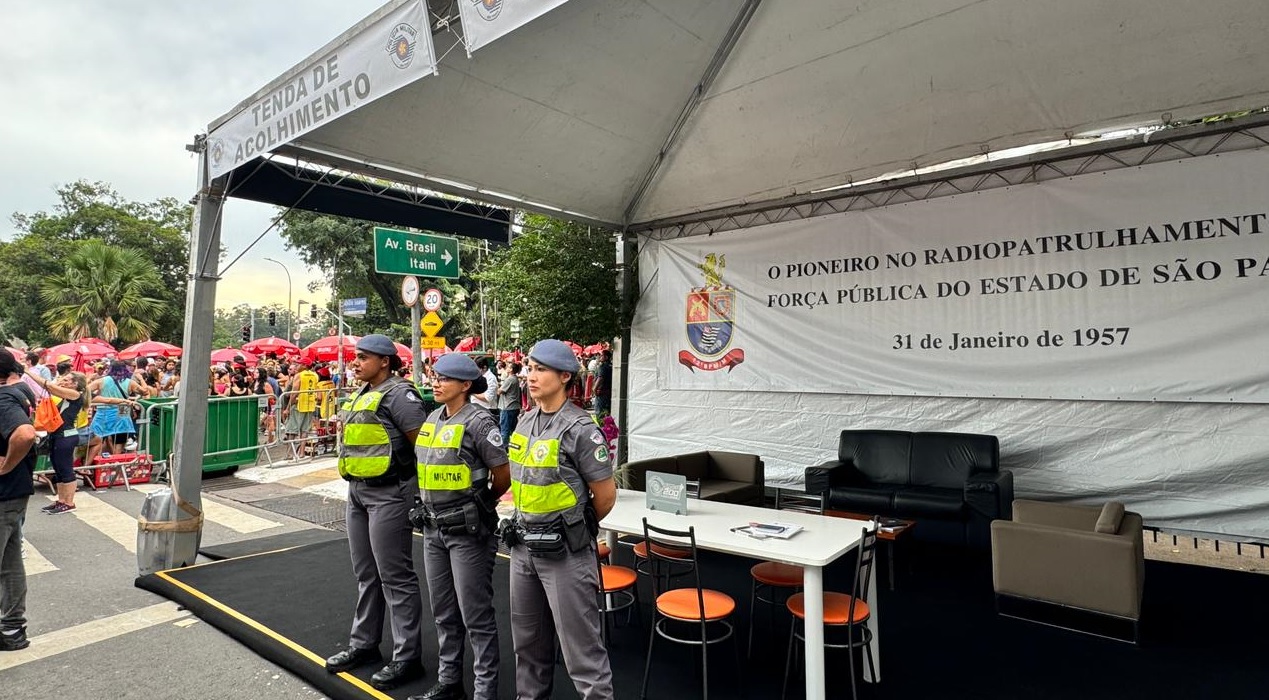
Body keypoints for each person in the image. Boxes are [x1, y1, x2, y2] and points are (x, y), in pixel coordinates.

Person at [505, 339, 617, 700]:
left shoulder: (581, 429)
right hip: (523, 551)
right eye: (528, 368)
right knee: (528, 649)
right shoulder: (524, 422)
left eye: (540, 369)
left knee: (582, 655)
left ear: (565, 376)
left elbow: (605, 497)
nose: (529, 376)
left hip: (566, 555)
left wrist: (570, 529)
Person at [325, 335, 429, 691]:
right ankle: (364, 645)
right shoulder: (363, 392)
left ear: (385, 361)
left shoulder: (401, 395)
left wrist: (418, 494)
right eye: (356, 357)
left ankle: (407, 657)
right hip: (357, 491)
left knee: (395, 576)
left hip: (390, 494)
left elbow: (424, 447)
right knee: (366, 574)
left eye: (363, 357)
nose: (355, 362)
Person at [409, 353, 510, 700]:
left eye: (444, 378)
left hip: (468, 533)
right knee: (443, 613)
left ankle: (485, 692)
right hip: (433, 531)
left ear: (465, 385)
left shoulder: (480, 423)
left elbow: (503, 475)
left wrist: (483, 503)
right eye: (435, 376)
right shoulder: (432, 418)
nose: (435, 382)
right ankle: (450, 681)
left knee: (476, 617)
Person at [0, 350, 37, 652]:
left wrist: (5, 465)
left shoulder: (3, 399)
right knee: (10, 563)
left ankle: (12, 627)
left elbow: (25, 434)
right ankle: (12, 628)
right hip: (14, 492)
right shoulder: (20, 390)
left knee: (9, 562)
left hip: (5, 491)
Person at [27, 368, 85, 514]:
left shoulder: (75, 394)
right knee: (58, 470)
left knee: (66, 469)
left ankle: (69, 502)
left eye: (66, 380)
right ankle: (61, 500)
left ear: (75, 384)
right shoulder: (66, 396)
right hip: (57, 436)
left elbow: (51, 387)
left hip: (66, 436)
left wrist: (28, 372)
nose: (63, 382)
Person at [87, 361, 143, 463]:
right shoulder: (130, 382)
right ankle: (116, 462)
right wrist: (141, 379)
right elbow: (145, 391)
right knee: (119, 439)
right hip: (123, 409)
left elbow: (86, 390)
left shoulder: (102, 381)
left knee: (99, 438)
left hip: (104, 410)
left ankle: (99, 463)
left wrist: (97, 397)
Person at [283, 359, 319, 440]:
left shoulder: (299, 375)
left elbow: (294, 392)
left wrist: (288, 408)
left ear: (304, 366)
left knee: (292, 430)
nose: (297, 366)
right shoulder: (315, 375)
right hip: (310, 405)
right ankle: (301, 452)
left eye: (298, 364)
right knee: (305, 431)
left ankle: (289, 452)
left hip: (298, 405)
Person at [496, 361, 522, 445]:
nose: (507, 368)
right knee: (513, 429)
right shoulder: (515, 379)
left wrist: (498, 387)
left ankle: (504, 449)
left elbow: (499, 392)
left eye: (508, 367)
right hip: (514, 407)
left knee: (505, 430)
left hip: (507, 407)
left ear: (511, 369)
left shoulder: (510, 379)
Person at [592, 351, 612, 416]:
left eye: (602, 355)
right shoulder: (611, 366)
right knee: (606, 413)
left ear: (606, 357)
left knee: (600, 414)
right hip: (608, 393)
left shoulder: (602, 367)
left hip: (601, 393)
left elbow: (600, 378)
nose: (600, 357)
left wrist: (594, 389)